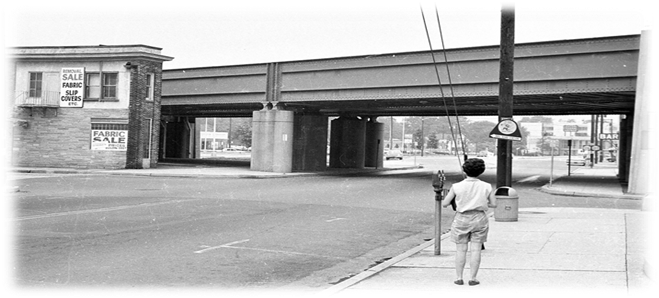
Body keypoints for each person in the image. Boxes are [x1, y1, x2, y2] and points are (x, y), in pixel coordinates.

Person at [441, 158, 497, 286]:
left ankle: (459, 277)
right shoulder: (486, 186)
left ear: (464, 170)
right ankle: (473, 278)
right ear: (481, 171)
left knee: (461, 249)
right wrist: (481, 202)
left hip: (462, 218)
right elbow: (494, 204)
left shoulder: (457, 186)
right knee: (476, 249)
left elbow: (445, 203)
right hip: (480, 218)